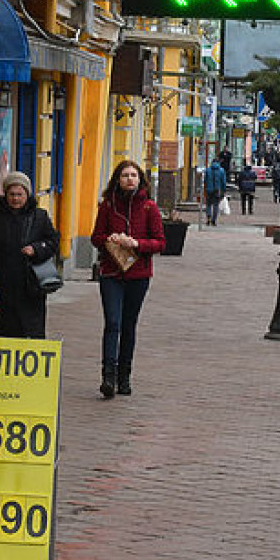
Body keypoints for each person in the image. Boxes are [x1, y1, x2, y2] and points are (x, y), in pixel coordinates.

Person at [90, 160, 166, 398]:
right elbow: (95, 237)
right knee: (112, 322)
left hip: (138, 274)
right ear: (117, 179)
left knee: (128, 325)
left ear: (140, 179)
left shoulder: (149, 208)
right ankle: (108, 377)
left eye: (133, 175)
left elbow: (160, 242)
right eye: (125, 175)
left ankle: (125, 376)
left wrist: (137, 244)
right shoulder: (108, 206)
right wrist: (109, 239)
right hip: (111, 273)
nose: (129, 179)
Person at [0, 171, 60, 339]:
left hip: (30, 288)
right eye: (11, 194)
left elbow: (53, 242)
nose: (15, 199)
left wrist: (36, 249)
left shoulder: (39, 217)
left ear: (27, 194)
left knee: (29, 334)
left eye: (20, 194)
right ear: (5, 194)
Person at [203, 157, 227, 225]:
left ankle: (208, 218)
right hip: (217, 190)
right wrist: (224, 190)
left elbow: (205, 180)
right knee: (216, 205)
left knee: (208, 205)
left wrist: (205, 189)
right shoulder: (221, 170)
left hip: (209, 190)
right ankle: (214, 220)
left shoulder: (207, 170)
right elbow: (223, 182)